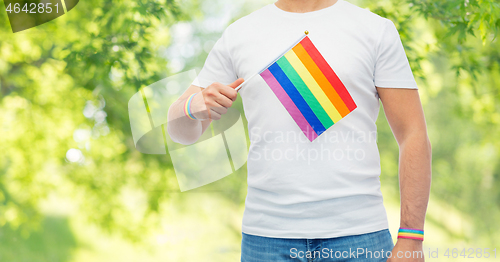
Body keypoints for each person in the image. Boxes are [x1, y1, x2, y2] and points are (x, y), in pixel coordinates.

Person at [167, 0, 432, 261]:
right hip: (266, 238)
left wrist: (411, 238)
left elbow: (413, 134)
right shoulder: (239, 34)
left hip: (358, 234)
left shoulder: (375, 29)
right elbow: (179, 132)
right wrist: (192, 106)